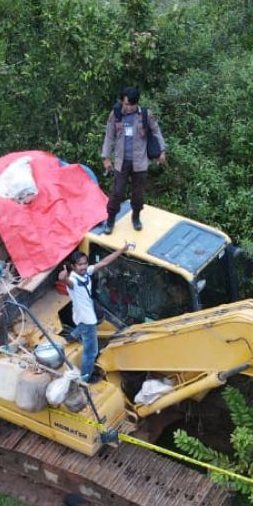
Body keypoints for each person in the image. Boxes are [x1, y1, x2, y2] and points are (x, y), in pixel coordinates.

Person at [57, 243, 132, 384]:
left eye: (85, 263)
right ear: (73, 267)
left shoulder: (86, 273)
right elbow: (67, 282)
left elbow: (104, 262)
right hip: (87, 319)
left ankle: (71, 337)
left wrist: (122, 249)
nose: (83, 267)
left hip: (84, 312)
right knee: (91, 352)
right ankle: (85, 377)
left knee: (91, 321)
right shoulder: (73, 281)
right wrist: (63, 278)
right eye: (79, 265)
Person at [101, 87, 166, 233]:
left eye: (130, 104)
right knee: (117, 192)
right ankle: (110, 220)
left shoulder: (145, 115)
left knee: (138, 194)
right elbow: (109, 137)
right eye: (125, 104)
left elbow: (156, 131)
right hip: (121, 162)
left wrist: (162, 151)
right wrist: (106, 158)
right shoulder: (116, 115)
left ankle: (136, 217)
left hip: (140, 162)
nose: (127, 107)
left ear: (136, 103)